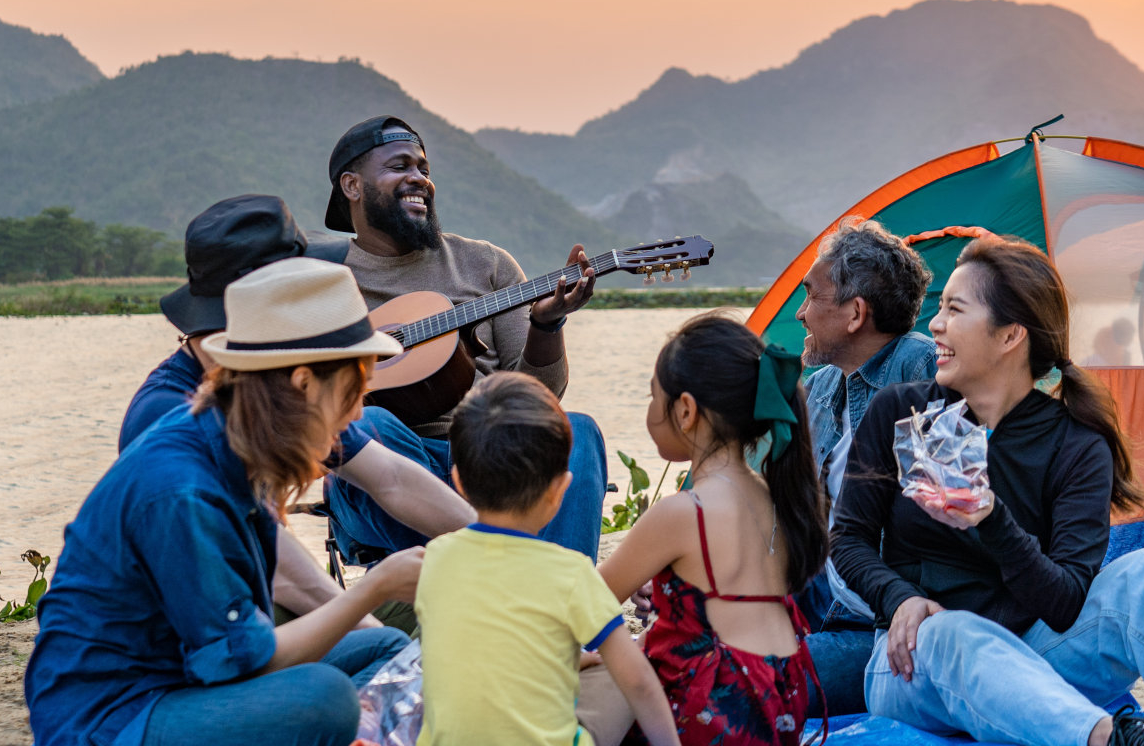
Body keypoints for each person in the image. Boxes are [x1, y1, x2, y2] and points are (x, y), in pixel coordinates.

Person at [831, 234, 1144, 746]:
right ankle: (1114, 740)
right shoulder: (903, 412)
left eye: (954, 310)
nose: (934, 325)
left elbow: (1067, 600)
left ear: (1010, 336)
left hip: (1038, 652)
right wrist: (901, 599)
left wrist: (991, 519)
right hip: (914, 659)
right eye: (939, 309)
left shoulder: (1074, 443)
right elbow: (847, 539)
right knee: (950, 631)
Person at [26, 257, 424, 746]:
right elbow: (244, 662)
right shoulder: (182, 489)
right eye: (353, 391)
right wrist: (374, 586)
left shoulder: (236, 441)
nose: (359, 411)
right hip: (114, 717)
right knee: (325, 698)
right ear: (303, 383)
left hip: (183, 682)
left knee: (384, 645)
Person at [118, 193, 475, 628]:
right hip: (226, 620)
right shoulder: (169, 416)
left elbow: (391, 478)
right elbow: (281, 574)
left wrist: (501, 547)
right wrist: (381, 643)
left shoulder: (282, 382)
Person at [323, 114, 609, 559]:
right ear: (352, 186)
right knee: (367, 426)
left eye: (424, 169)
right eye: (400, 167)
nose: (419, 179)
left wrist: (546, 324)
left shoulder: (486, 264)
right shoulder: (323, 281)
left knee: (577, 431)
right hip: (386, 470)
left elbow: (540, 399)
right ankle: (513, 572)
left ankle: (557, 607)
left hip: (486, 460)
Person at [598, 313, 830, 746]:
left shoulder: (683, 512)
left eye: (653, 398)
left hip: (715, 709)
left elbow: (584, 602)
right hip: (783, 697)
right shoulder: (778, 497)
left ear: (685, 410)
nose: (649, 412)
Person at [416, 372, 682, 746]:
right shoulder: (570, 574)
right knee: (625, 672)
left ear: (458, 482)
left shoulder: (434, 559)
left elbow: (487, 650)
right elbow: (637, 681)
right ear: (560, 490)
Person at [795, 219, 937, 713]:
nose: (800, 313)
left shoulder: (921, 367)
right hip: (814, 597)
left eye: (811, 297)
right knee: (680, 653)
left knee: (745, 684)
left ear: (856, 313)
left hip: (879, 623)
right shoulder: (819, 386)